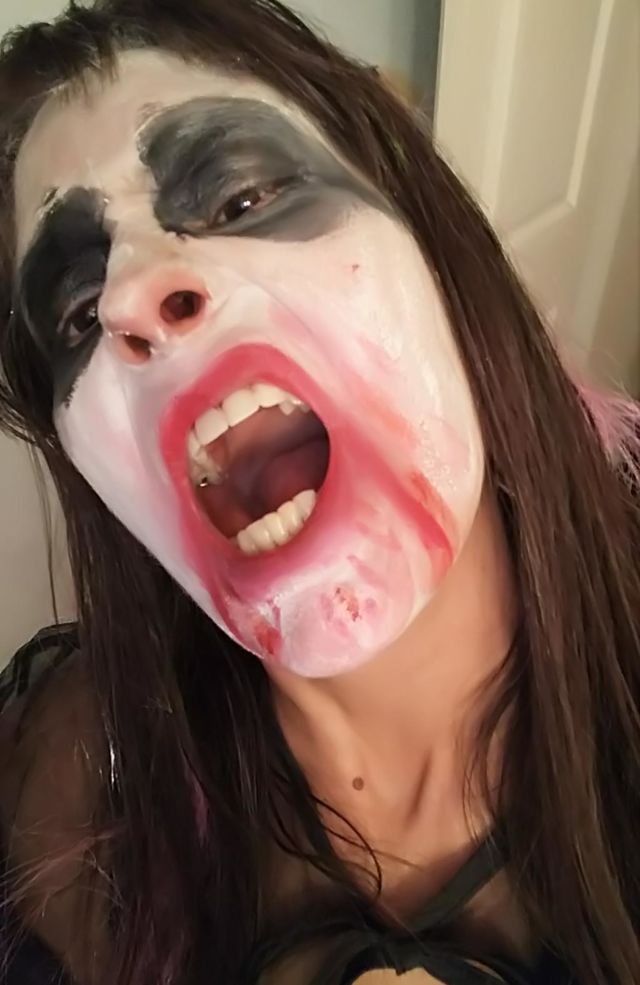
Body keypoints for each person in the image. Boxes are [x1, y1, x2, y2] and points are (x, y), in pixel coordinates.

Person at [0, 1, 638, 983]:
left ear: (430, 236)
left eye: (243, 198)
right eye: (79, 312)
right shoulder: (65, 795)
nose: (130, 296)